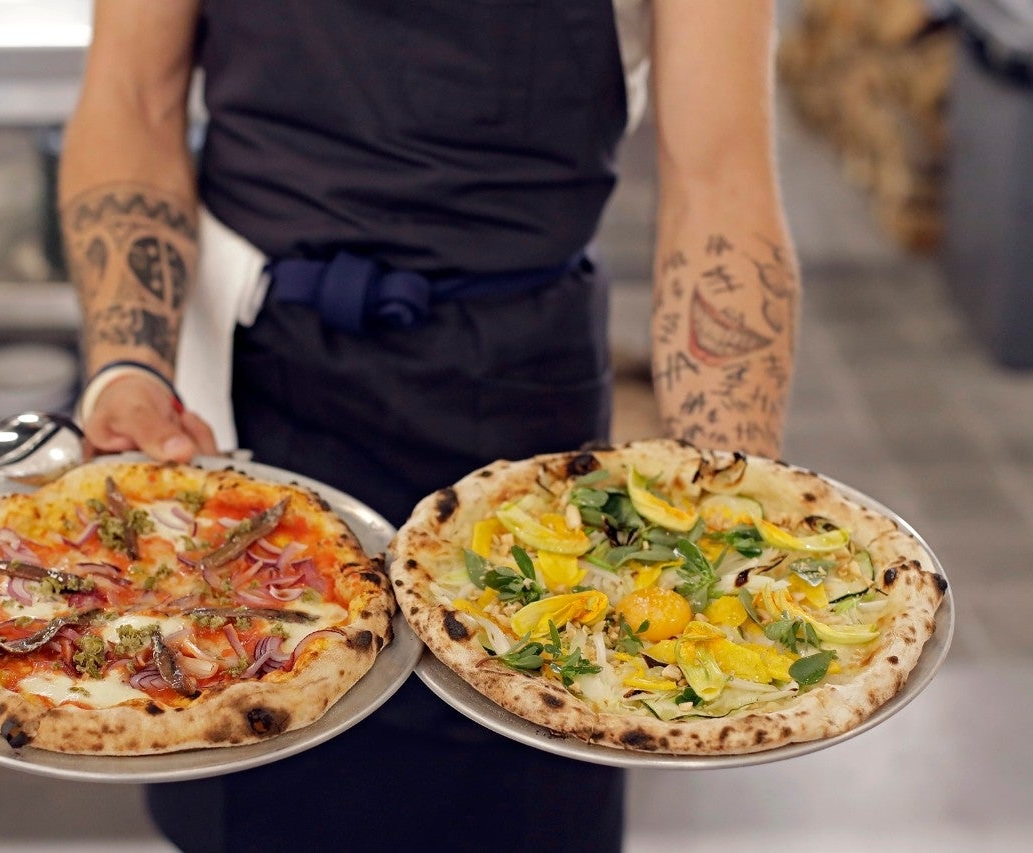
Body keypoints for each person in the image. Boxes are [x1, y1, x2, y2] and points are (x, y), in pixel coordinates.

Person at [58, 2, 799, 850]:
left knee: (518, 791)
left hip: (522, 418)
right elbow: (131, 95)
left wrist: (733, 499)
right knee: (249, 784)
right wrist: (129, 365)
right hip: (242, 410)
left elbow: (718, 172)